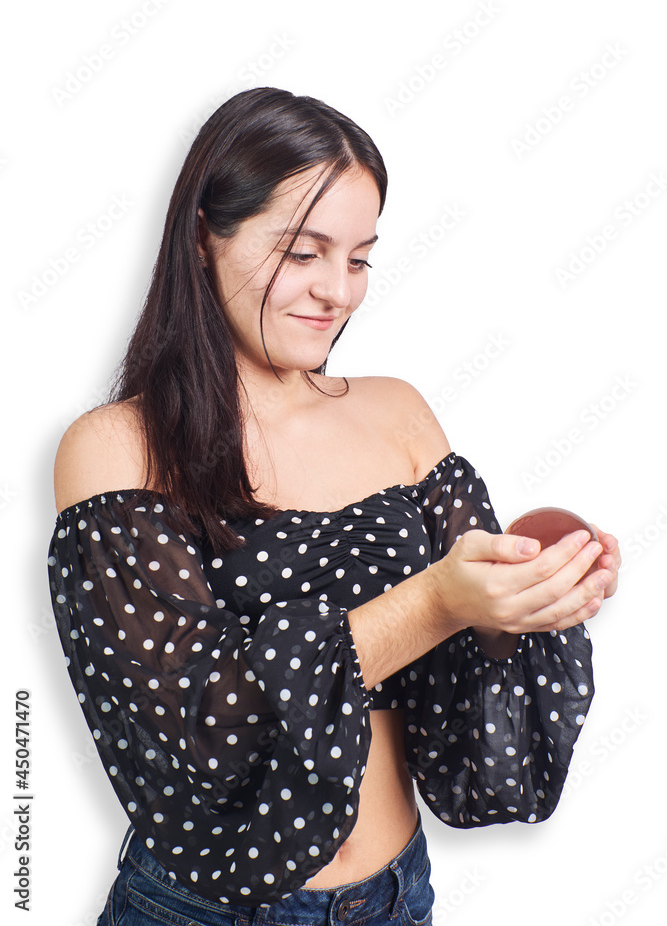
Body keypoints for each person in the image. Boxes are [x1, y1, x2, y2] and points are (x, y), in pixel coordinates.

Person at [48, 86, 620, 925]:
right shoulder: (115, 448)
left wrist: (520, 606)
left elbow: (459, 696)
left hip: (394, 895)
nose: (337, 292)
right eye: (302, 252)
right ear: (205, 236)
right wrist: (434, 600)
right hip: (204, 910)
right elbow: (198, 723)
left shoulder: (398, 412)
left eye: (358, 258)